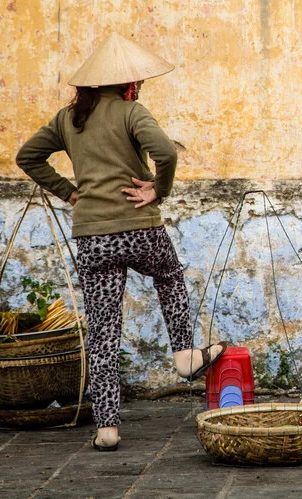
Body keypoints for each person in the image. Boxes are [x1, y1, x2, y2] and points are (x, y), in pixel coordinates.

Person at [16, 33, 227, 452]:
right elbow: (165, 152)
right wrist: (157, 190)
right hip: (139, 229)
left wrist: (70, 192)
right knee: (168, 276)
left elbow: (28, 157)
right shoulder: (132, 112)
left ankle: (107, 429)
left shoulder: (67, 119)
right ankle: (185, 355)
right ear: (128, 83)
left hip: (93, 238)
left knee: (104, 333)